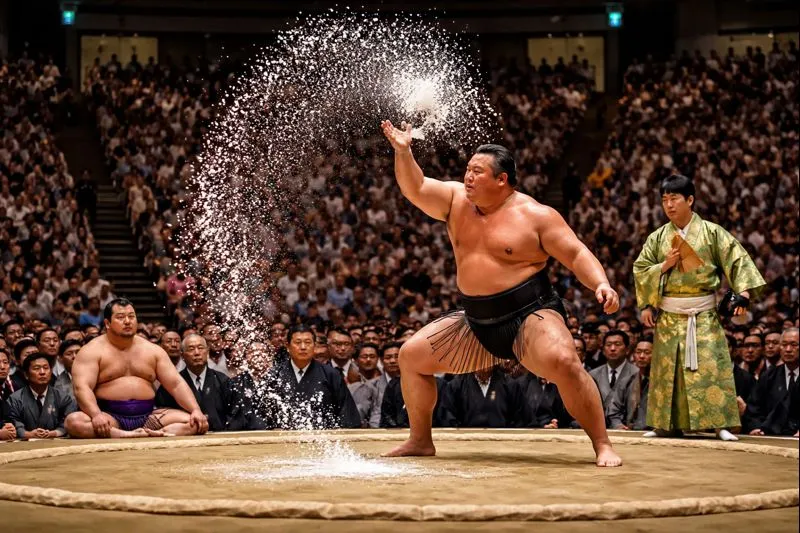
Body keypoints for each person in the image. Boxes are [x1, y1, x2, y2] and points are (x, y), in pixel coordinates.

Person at [380, 121, 621, 466]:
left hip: (530, 316)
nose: (468, 178)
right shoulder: (454, 201)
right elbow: (415, 187)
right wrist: (403, 152)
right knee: (411, 357)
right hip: (477, 322)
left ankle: (602, 443)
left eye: (478, 172)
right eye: (467, 170)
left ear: (501, 180)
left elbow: (576, 253)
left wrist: (600, 283)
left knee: (565, 362)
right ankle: (420, 440)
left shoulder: (536, 216)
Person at [633, 174, 766, 441]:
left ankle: (721, 425)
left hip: (703, 312)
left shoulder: (713, 232)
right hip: (669, 314)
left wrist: (744, 292)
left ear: (690, 200)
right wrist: (651, 295)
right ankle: (664, 424)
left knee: (710, 368)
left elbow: (737, 259)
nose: (669, 205)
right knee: (668, 372)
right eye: (664, 200)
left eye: (674, 199)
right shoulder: (657, 237)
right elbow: (641, 269)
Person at [64, 299, 209, 438]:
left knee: (196, 421)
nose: (127, 321)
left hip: (149, 417)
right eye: (120, 317)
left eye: (131, 316)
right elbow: (82, 388)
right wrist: (96, 415)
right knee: (74, 422)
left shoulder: (152, 350)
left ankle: (158, 433)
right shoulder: (91, 351)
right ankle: (125, 435)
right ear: (107, 323)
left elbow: (176, 384)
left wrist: (195, 410)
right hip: (110, 418)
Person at [265, 324, 360, 429]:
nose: (303, 347)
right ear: (288, 346)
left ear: (314, 346)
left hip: (323, 439)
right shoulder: (274, 375)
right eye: (297, 342)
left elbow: (347, 414)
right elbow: (264, 415)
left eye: (308, 342)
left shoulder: (331, 374)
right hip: (283, 440)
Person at [155, 334, 236, 432]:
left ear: (207, 352)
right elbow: (164, 414)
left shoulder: (223, 380)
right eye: (191, 349)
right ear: (183, 355)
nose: (197, 353)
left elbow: (234, 415)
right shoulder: (172, 384)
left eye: (200, 348)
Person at [6, 353, 77, 439]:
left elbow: (67, 421)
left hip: (56, 441)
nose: (42, 372)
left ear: (51, 372)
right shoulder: (15, 399)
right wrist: (28, 434)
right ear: (26, 374)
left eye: (46, 368)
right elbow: (14, 422)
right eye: (36, 368)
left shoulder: (62, 397)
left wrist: (53, 433)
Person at [743, 329, 799, 436]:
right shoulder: (769, 375)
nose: (788, 349)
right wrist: (756, 427)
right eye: (784, 345)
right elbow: (754, 407)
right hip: (770, 435)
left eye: (794, 345)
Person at [607, 338, 653, 430]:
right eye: (638, 352)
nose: (642, 356)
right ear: (633, 355)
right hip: (630, 430)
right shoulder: (626, 381)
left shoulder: (663, 384)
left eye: (647, 352)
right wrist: (618, 425)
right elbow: (613, 410)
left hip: (654, 432)